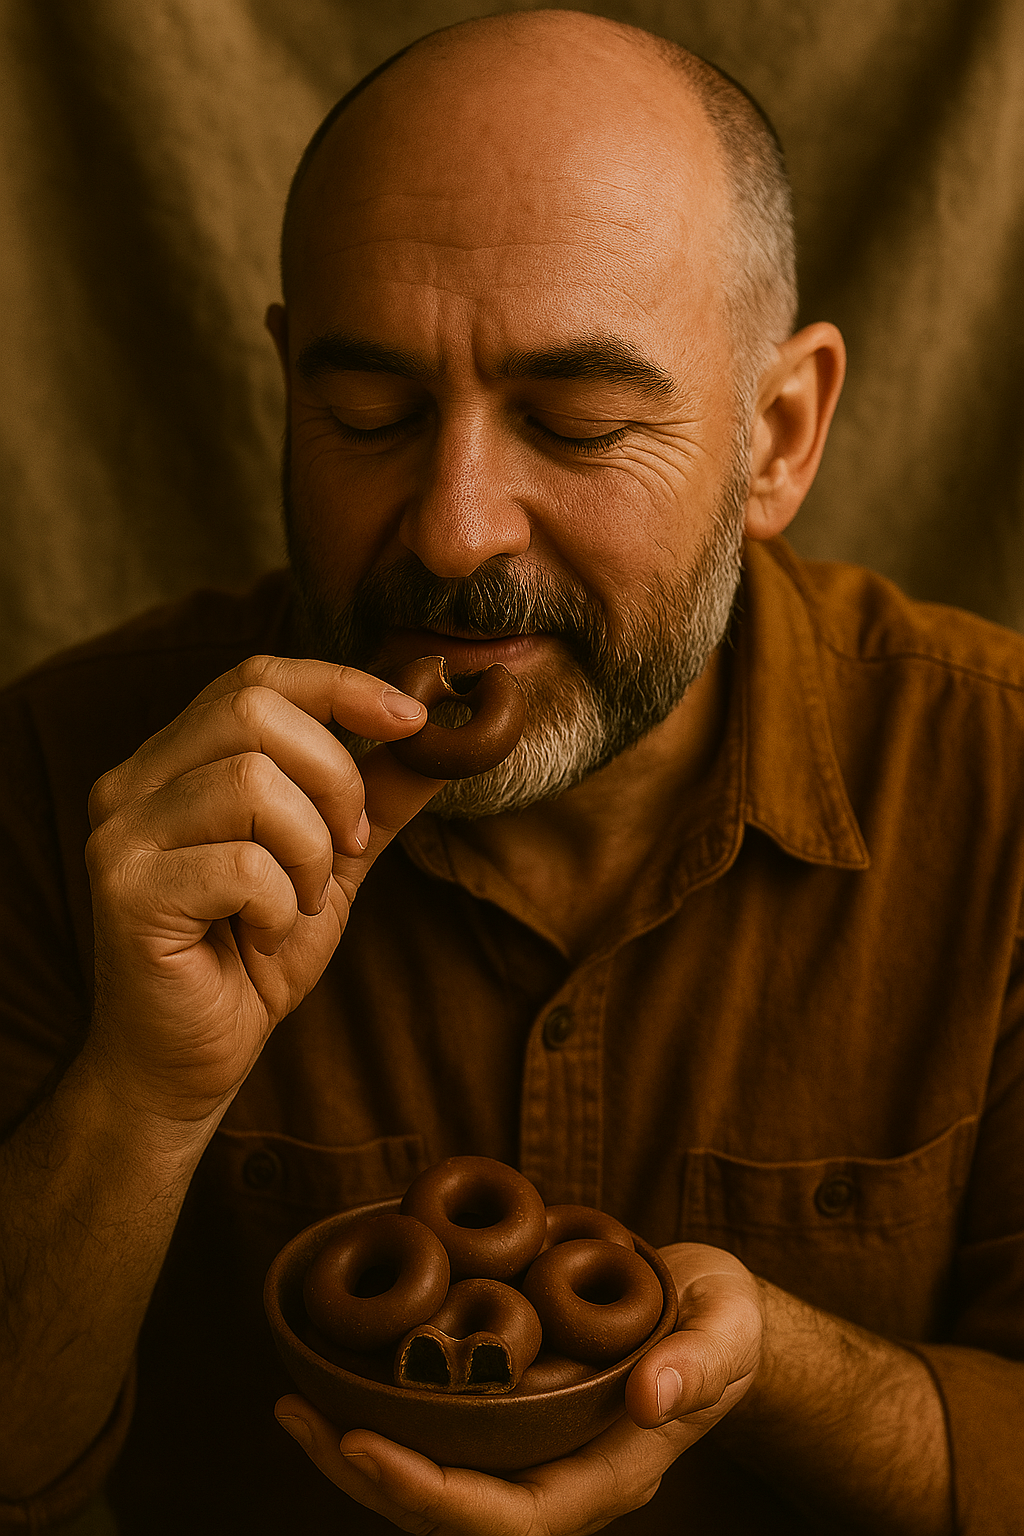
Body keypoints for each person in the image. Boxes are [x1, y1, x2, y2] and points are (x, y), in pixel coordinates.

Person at [1, 9, 1021, 1533]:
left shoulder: (1002, 788)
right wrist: (143, 1097)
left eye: (577, 423)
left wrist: (772, 1369)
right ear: (286, 384)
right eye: (370, 415)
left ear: (778, 437)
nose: (452, 529)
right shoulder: (73, 774)